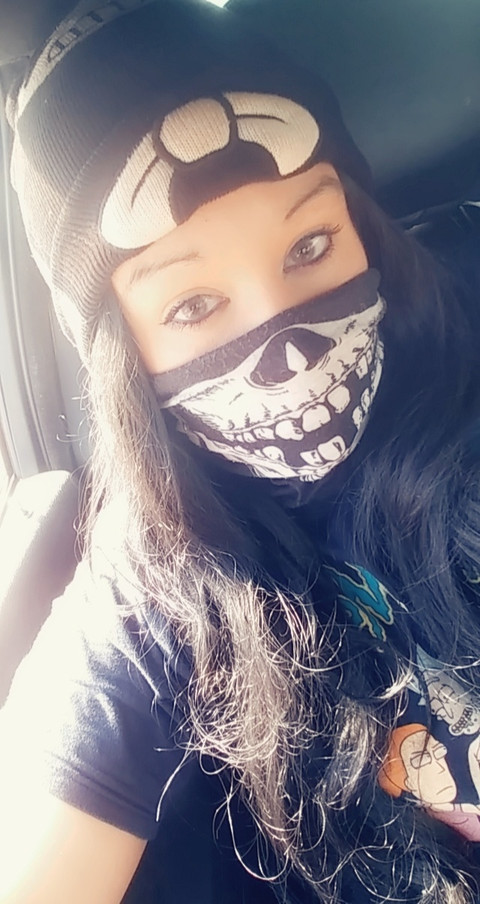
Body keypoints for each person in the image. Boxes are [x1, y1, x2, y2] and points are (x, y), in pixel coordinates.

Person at [1, 0, 480, 902]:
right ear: (124, 355)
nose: (284, 337)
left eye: (311, 244)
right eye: (191, 305)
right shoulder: (148, 592)